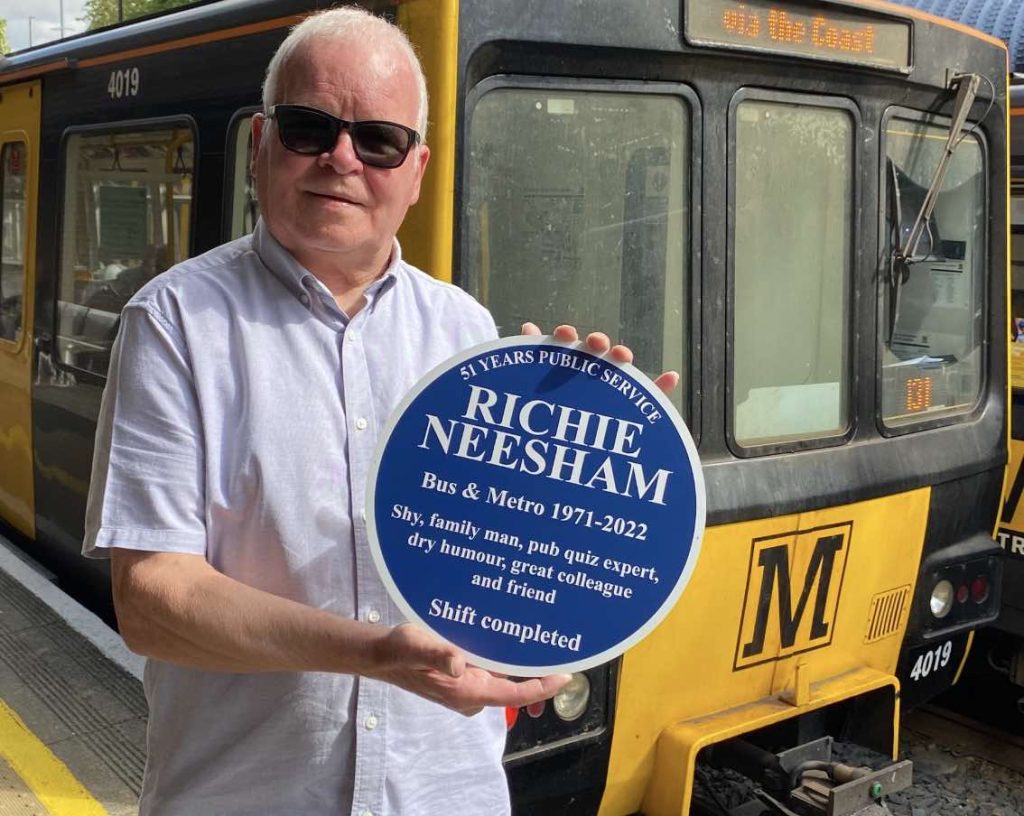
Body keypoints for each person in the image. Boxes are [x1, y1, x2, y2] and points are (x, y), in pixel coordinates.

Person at [84, 8, 677, 816]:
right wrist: (374, 654)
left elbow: (502, 560)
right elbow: (152, 602)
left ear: (417, 169)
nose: (341, 158)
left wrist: (598, 434)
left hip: (444, 795)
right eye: (308, 128)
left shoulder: (469, 335)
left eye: (378, 141)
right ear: (261, 144)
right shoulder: (177, 323)